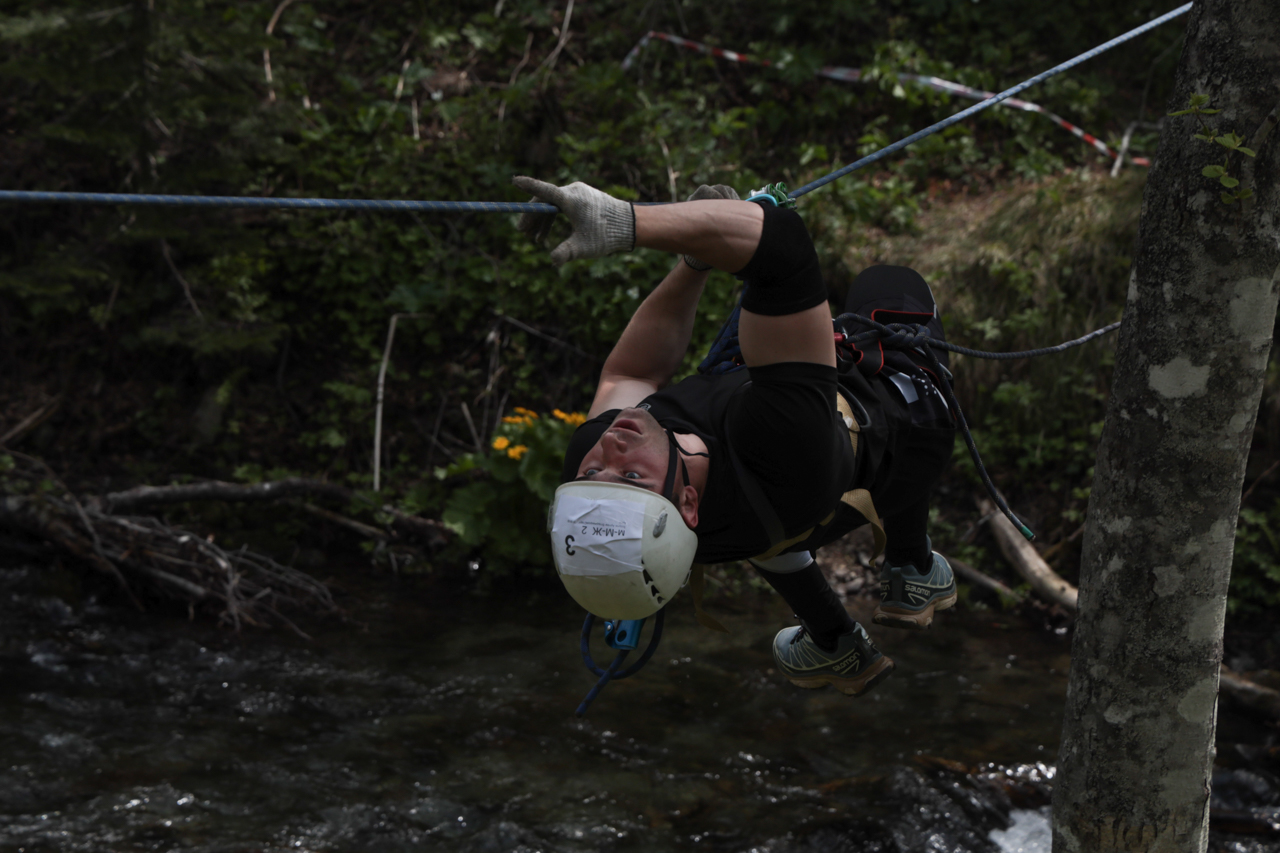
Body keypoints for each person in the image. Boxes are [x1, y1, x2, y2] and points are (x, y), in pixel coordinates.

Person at [514, 175, 957, 697]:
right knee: (888, 283)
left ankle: (837, 645)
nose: (611, 447)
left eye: (594, 473)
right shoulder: (778, 448)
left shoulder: (605, 473)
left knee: (775, 539)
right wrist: (628, 223)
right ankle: (912, 566)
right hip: (908, 422)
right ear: (687, 502)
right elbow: (782, 245)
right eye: (630, 476)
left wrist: (694, 263)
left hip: (775, 513)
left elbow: (630, 375)